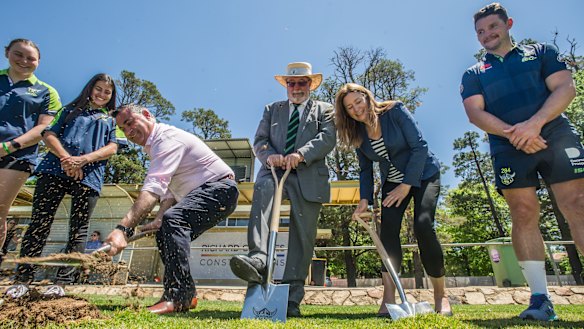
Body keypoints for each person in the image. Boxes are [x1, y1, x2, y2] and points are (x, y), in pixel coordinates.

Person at [461, 3, 584, 321]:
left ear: (509, 24)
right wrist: (515, 134)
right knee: (523, 212)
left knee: (577, 204)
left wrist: (535, 124)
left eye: (492, 27)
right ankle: (540, 300)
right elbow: (475, 113)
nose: (486, 34)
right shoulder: (474, 74)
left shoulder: (542, 52)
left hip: (555, 136)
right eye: (480, 31)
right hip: (508, 147)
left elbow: (565, 88)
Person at [104, 104, 239, 315]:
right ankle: (186, 294)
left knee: (174, 220)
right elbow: (168, 192)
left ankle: (178, 297)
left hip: (220, 189)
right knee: (165, 228)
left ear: (147, 114)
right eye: (123, 128)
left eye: (130, 123)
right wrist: (159, 219)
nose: (128, 132)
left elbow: (154, 188)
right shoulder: (154, 147)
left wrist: (123, 228)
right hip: (208, 192)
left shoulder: (165, 139)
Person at [229, 62, 336, 317]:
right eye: (292, 83)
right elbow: (260, 141)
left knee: (303, 234)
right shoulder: (272, 110)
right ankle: (259, 260)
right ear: (286, 85)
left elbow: (328, 138)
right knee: (263, 192)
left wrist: (300, 154)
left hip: (308, 174)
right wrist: (270, 156)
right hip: (275, 172)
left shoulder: (325, 109)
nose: (296, 88)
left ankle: (292, 297)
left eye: (301, 83)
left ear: (310, 84)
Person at [335, 83, 451, 317]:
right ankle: (389, 299)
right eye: (350, 107)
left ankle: (441, 295)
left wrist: (406, 185)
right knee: (387, 232)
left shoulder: (395, 111)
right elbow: (365, 170)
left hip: (423, 175)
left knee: (423, 224)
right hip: (393, 183)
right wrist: (365, 199)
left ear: (367, 98)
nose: (356, 109)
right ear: (346, 113)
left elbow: (420, 147)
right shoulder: (358, 134)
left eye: (358, 101)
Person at [14, 73, 122, 286]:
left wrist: (83, 160)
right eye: (98, 89)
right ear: (90, 88)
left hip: (89, 177)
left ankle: (63, 283)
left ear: (111, 96)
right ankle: (22, 279)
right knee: (40, 222)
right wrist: (66, 158)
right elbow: (48, 134)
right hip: (54, 170)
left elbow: (113, 147)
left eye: (107, 92)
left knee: (79, 229)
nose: (102, 94)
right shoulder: (68, 111)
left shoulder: (111, 119)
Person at [0, 39, 61, 250]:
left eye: (30, 58)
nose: (24, 61)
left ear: (38, 62)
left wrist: (8, 146)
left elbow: (43, 128)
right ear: (7, 53)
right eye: (18, 54)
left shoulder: (46, 92)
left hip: (18, 155)